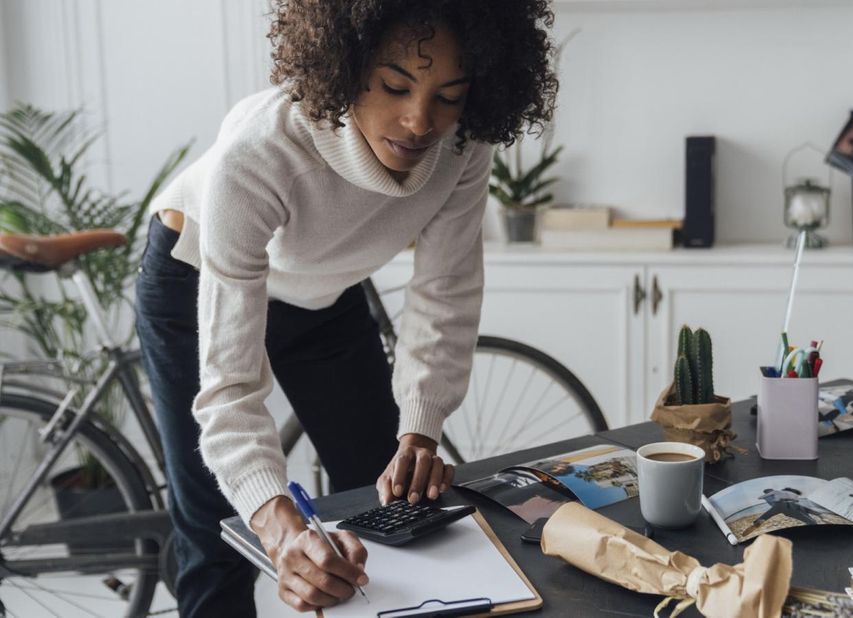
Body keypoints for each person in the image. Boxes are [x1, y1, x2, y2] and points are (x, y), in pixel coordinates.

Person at [134, 1, 557, 615]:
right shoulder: (257, 156)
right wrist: (282, 535)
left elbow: (446, 290)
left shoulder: (464, 143)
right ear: (346, 66)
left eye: (450, 94)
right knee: (218, 525)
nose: (419, 121)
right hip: (193, 276)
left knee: (388, 493)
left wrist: (420, 428)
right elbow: (230, 392)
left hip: (324, 292)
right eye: (394, 85)